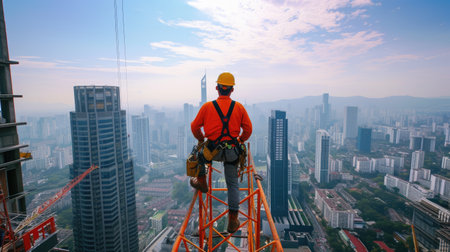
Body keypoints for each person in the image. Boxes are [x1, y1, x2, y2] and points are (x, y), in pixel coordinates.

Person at [190, 72, 252, 233]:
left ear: (217, 88)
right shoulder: (238, 107)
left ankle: (202, 182)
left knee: (198, 154)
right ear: (232, 90)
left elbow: (194, 127)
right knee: (232, 184)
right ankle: (233, 220)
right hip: (232, 151)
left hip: (212, 151)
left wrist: (201, 138)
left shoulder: (207, 107)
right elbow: (248, 130)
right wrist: (239, 140)